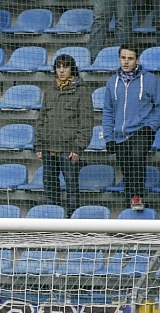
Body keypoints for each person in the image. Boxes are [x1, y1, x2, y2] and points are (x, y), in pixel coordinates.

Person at [102, 44, 160, 212]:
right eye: (123, 58)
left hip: (142, 131)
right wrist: (108, 137)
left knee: (136, 158)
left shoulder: (150, 80)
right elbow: (108, 111)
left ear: (137, 60)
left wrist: (151, 127)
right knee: (126, 168)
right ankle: (130, 202)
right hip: (120, 134)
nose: (126, 61)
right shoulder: (112, 82)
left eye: (130, 58)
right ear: (119, 59)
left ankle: (137, 196)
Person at [35, 53, 95, 217]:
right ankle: (53, 221)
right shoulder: (50, 90)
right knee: (50, 187)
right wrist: (39, 145)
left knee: (72, 189)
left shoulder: (82, 91)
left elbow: (86, 122)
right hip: (48, 148)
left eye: (65, 67)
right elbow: (41, 119)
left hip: (69, 150)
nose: (61, 71)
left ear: (72, 69)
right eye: (58, 67)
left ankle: (73, 223)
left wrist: (78, 148)